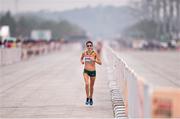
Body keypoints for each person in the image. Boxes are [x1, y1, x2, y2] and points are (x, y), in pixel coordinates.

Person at [80, 40, 102, 105]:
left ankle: (91, 98)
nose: (89, 47)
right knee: (87, 84)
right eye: (88, 46)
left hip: (93, 71)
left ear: (92, 46)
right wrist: (82, 61)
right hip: (86, 71)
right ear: (86, 46)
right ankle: (87, 98)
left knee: (91, 86)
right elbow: (81, 58)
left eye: (90, 46)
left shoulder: (95, 53)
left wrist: (94, 60)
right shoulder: (84, 53)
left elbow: (100, 62)